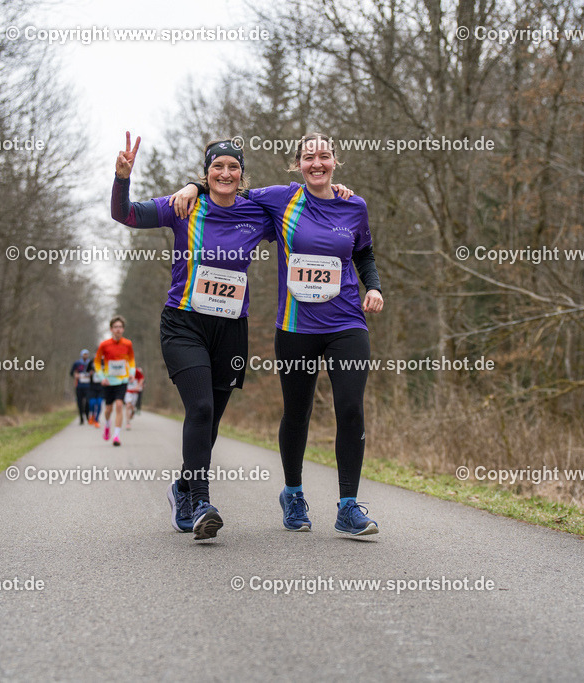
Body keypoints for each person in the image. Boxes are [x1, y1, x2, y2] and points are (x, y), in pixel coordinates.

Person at [171, 132, 384, 536]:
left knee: (351, 408)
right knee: (297, 413)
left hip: (346, 323)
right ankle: (293, 493)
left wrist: (372, 286)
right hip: (296, 327)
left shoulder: (354, 205)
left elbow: (363, 252)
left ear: (335, 161)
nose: (316, 163)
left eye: (324, 156)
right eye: (308, 157)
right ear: (298, 165)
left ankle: (348, 505)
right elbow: (227, 189)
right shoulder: (280, 199)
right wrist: (193, 185)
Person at [111, 132, 277, 541]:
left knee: (212, 421)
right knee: (200, 408)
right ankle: (202, 501)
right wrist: (122, 178)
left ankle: (181, 488)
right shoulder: (184, 205)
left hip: (231, 328)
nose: (225, 172)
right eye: (216, 167)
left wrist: (335, 191)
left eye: (232, 167)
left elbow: (301, 208)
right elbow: (125, 215)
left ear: (242, 175)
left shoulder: (256, 212)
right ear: (206, 173)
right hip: (183, 323)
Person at [94, 316, 135, 446]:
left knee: (119, 405)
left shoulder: (128, 344)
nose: (118, 329)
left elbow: (131, 360)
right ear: (111, 329)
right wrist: (102, 377)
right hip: (108, 382)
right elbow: (96, 362)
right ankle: (107, 424)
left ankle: (116, 436)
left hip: (122, 380)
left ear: (123, 329)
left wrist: (132, 373)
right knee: (108, 409)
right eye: (116, 327)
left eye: (120, 327)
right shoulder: (104, 345)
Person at [70, 349, 94, 425]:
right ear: (81, 355)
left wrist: (91, 374)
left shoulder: (91, 363)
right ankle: (81, 418)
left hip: (88, 386)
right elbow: (71, 373)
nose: (85, 356)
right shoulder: (77, 363)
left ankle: (87, 416)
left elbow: (95, 372)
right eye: (84, 354)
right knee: (79, 403)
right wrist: (75, 375)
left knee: (87, 402)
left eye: (86, 354)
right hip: (79, 386)